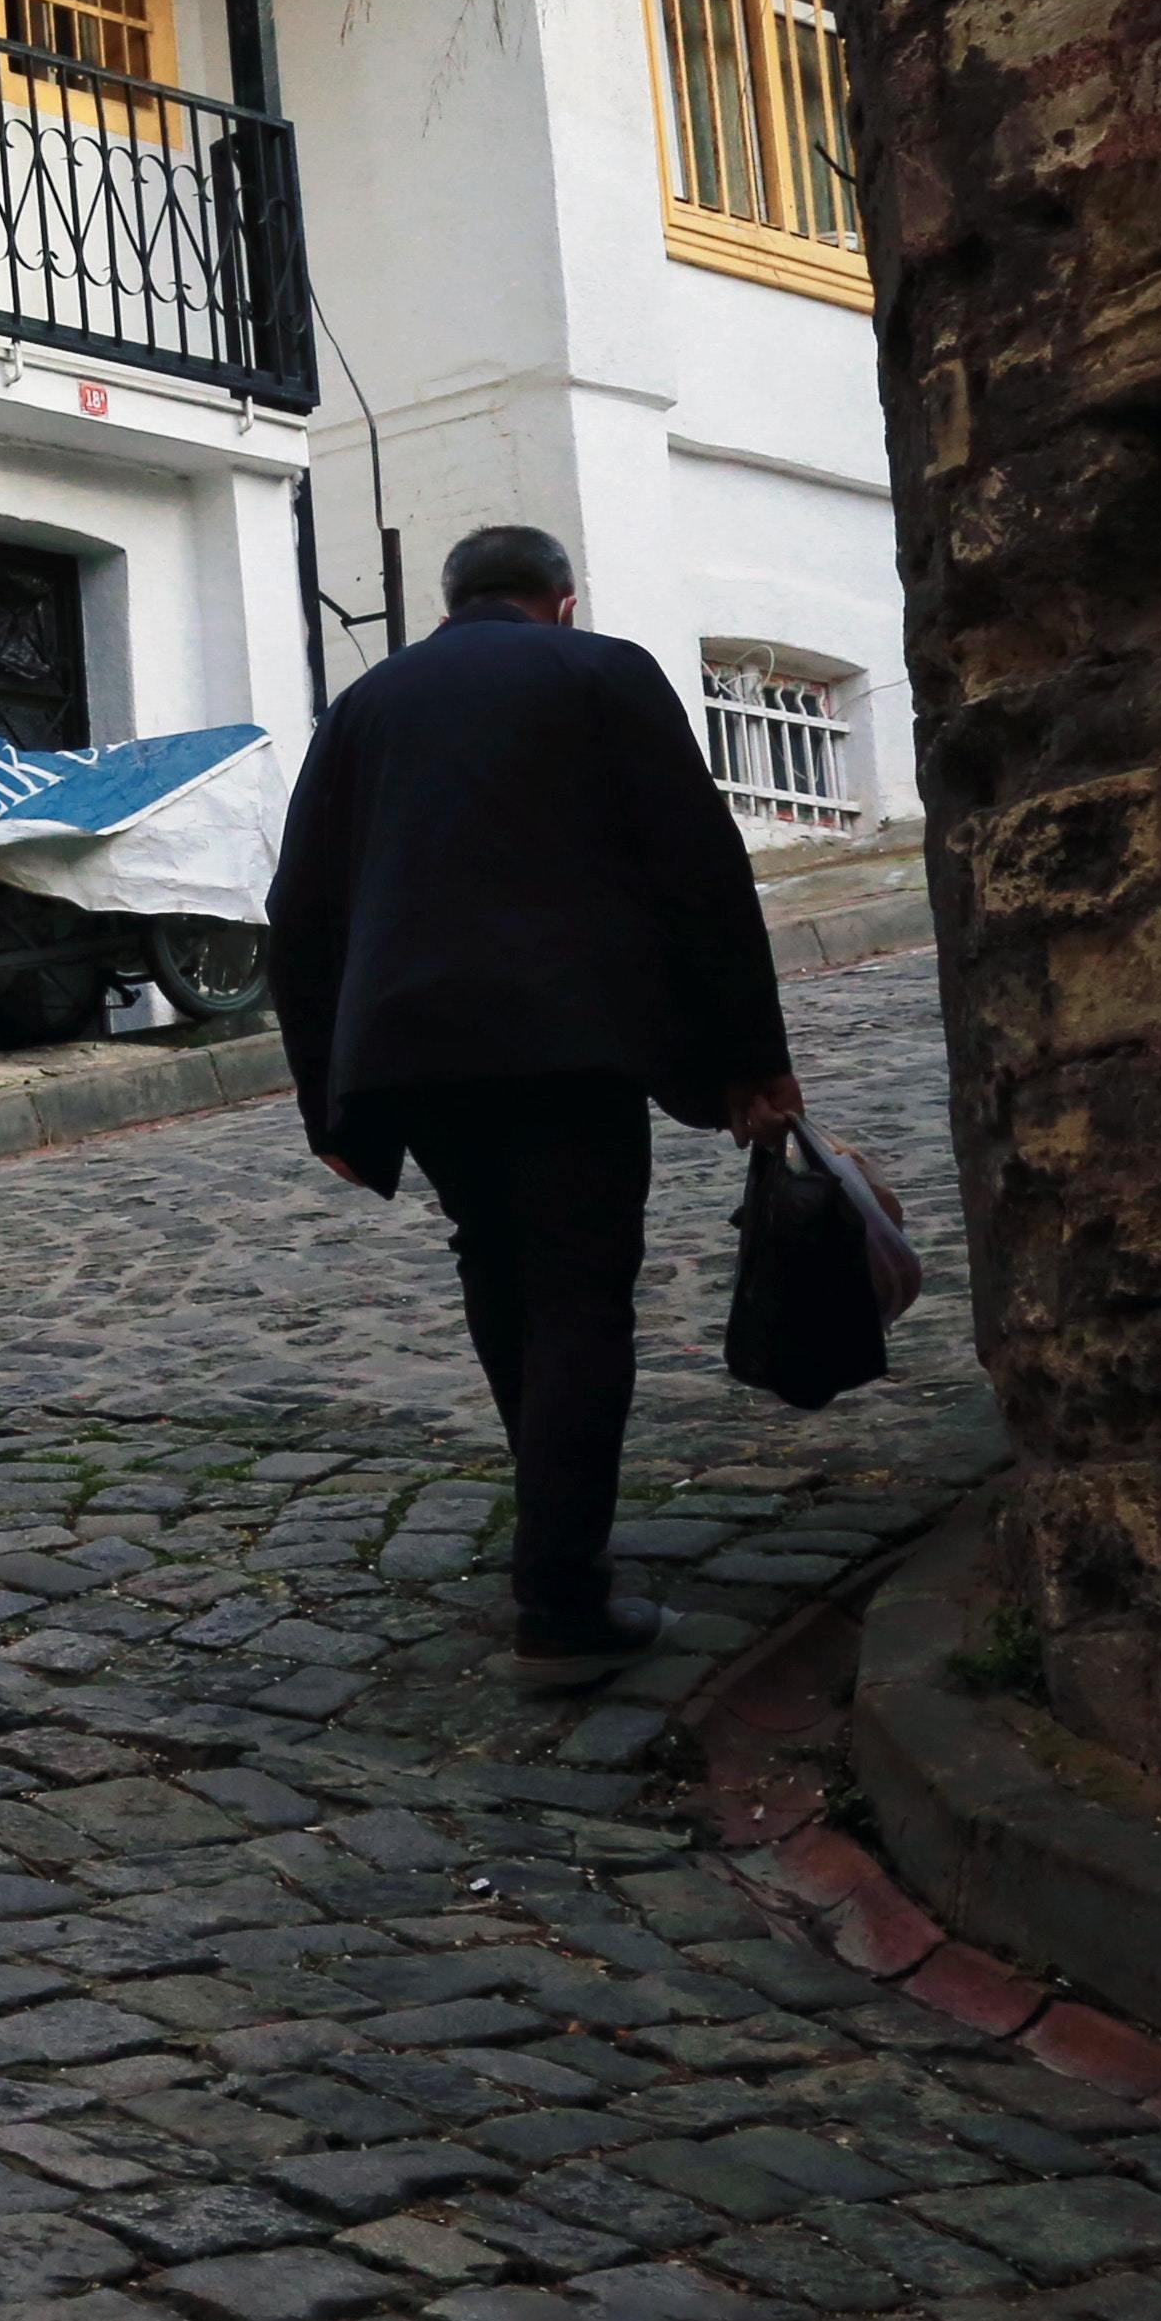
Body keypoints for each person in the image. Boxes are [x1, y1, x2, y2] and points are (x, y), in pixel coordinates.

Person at [269, 525, 802, 1685]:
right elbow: (698, 871)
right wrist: (751, 1055)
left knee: (500, 1271)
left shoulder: (363, 708)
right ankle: (560, 1596)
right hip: (571, 1044)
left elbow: (300, 909)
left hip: (412, 1055)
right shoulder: (603, 671)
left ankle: (553, 1527)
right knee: (576, 1294)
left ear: (451, 603)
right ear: (561, 602)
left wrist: (331, 1104)